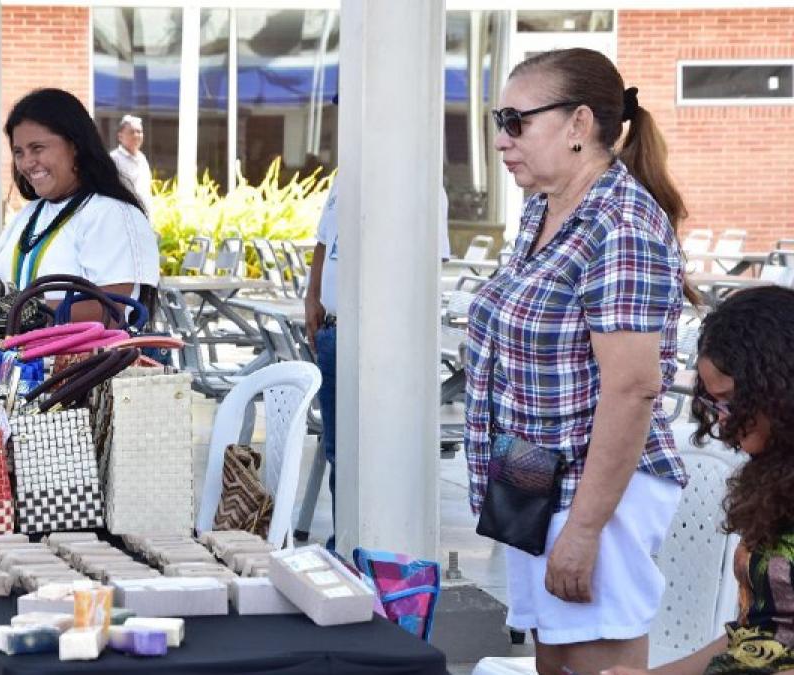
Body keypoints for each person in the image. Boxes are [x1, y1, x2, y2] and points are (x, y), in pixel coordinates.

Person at [464, 48, 693, 675]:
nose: (502, 139)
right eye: (497, 119)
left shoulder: (618, 224)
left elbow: (632, 391)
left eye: (516, 120)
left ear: (577, 124)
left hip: (596, 491)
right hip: (536, 478)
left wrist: (586, 530)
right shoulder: (544, 208)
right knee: (555, 665)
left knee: (598, 666)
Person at [604, 286, 794, 675]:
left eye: (730, 400)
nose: (722, 417)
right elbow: (752, 636)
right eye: (712, 402)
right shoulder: (773, 477)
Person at [304, 176, 448, 552]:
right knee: (339, 450)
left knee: (381, 449)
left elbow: (430, 261)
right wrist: (312, 297)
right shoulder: (341, 175)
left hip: (385, 339)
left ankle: (382, 551)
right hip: (335, 334)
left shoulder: (412, 171)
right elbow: (323, 241)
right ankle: (345, 544)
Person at [0, 88, 160, 322]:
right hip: (17, 357)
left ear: (75, 145)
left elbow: (114, 310)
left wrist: (16, 308)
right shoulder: (30, 213)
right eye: (19, 152)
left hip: (85, 360)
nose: (27, 163)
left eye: (37, 148)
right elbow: (11, 293)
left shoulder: (113, 214)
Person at [109, 114, 152, 217]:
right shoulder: (113, 159)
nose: (136, 135)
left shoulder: (142, 158)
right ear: (120, 136)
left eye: (139, 132)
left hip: (143, 216)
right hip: (123, 218)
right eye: (132, 132)